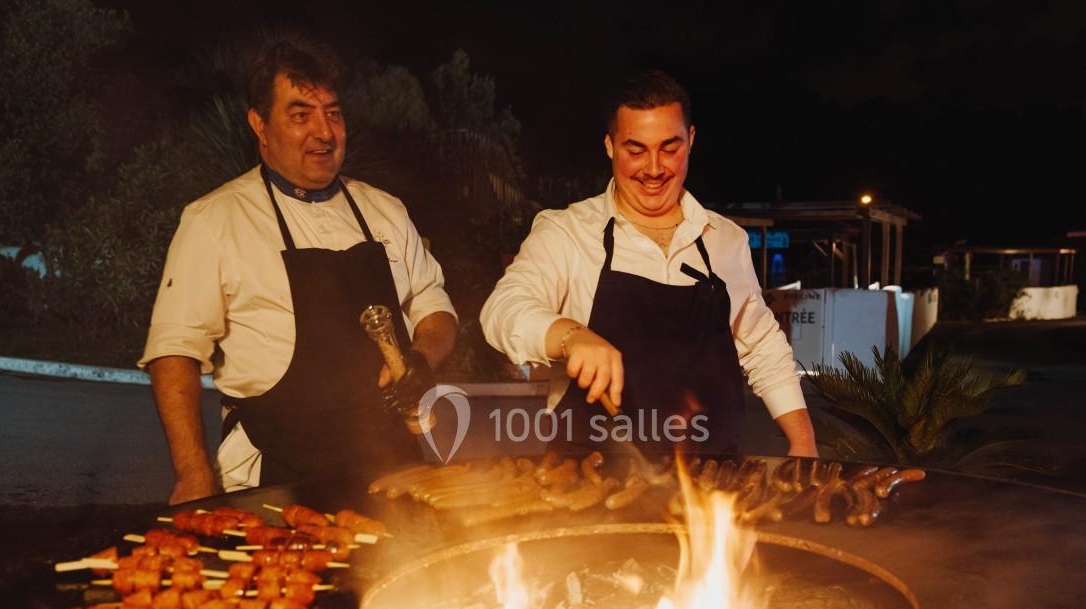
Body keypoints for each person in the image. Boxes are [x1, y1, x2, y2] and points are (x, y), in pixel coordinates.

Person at [140, 39, 456, 503]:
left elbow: (435, 307)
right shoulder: (216, 220)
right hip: (275, 483)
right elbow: (174, 353)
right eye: (300, 114)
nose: (324, 133)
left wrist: (423, 355)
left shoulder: (385, 211)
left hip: (393, 472)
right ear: (259, 124)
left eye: (333, 113)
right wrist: (192, 474)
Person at [480, 70, 816, 456]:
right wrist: (571, 336)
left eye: (669, 148)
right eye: (635, 150)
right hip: (588, 484)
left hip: (711, 489)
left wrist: (803, 440)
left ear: (691, 140)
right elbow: (501, 311)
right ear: (609, 146)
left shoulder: (724, 240)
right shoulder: (567, 232)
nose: (653, 168)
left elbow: (761, 346)